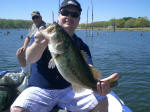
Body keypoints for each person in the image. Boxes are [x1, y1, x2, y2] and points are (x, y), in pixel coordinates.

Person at [11, 0, 119, 112]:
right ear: (59, 15)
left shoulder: (82, 45)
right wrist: (38, 44)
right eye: (65, 12)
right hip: (40, 89)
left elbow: (89, 68)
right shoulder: (42, 36)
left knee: (103, 100)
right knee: (17, 110)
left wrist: (98, 84)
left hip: (70, 90)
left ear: (78, 19)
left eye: (74, 14)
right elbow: (30, 58)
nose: (69, 16)